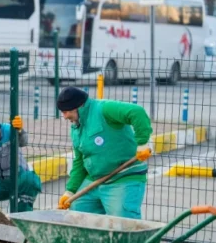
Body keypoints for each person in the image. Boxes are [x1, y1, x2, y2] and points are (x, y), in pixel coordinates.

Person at [56, 87, 152, 219]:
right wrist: (70, 191)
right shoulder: (76, 127)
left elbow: (137, 112)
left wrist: (142, 143)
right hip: (95, 179)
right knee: (77, 211)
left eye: (67, 111)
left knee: (122, 221)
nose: (65, 116)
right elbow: (80, 162)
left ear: (80, 106)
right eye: (62, 112)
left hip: (123, 176)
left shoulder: (104, 109)